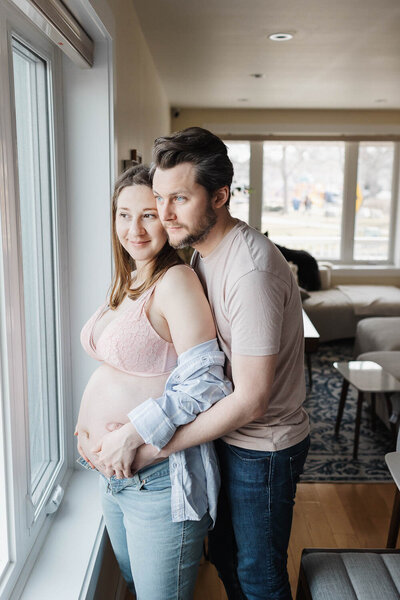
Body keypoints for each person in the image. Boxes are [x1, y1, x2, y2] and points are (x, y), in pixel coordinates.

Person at [97, 128, 310, 600]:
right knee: (229, 562)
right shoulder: (201, 254)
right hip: (227, 437)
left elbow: (252, 400)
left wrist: (154, 445)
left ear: (219, 196)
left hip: (262, 447)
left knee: (258, 575)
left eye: (179, 198)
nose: (165, 214)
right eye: (160, 198)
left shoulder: (249, 270)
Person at [75, 164, 231, 600]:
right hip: (115, 477)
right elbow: (123, 367)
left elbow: (207, 385)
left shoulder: (176, 280)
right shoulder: (129, 279)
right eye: (124, 214)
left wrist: (130, 432)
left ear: (167, 216)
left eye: (148, 214)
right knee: (136, 586)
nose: (134, 228)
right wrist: (89, 428)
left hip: (157, 479)